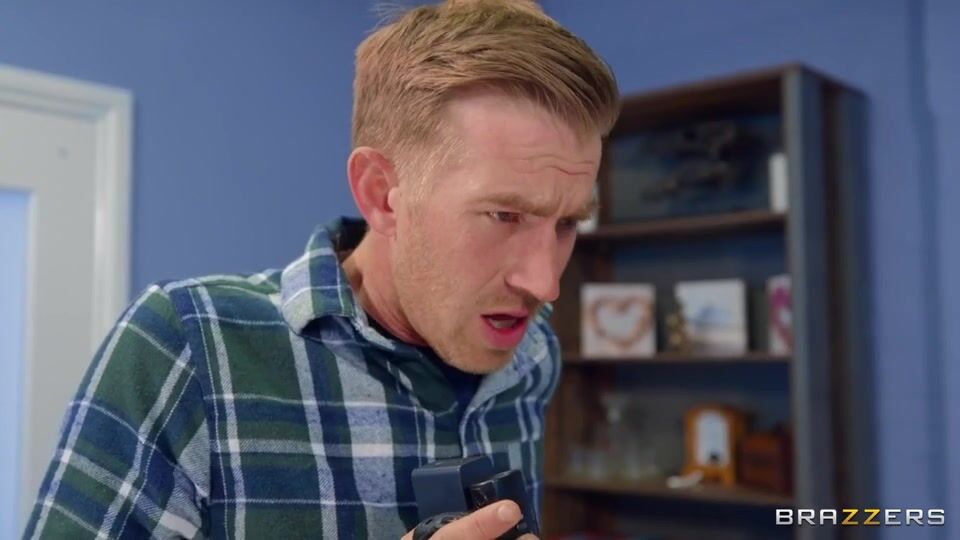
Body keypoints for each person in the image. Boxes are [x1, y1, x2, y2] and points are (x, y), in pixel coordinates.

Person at [23, 0, 619, 538]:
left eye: (568, 223)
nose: (545, 284)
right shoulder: (186, 348)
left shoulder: (532, 355)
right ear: (382, 194)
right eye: (504, 215)